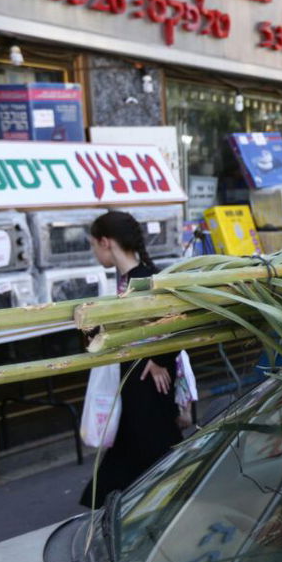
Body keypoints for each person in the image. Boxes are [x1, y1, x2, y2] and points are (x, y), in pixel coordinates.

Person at [81, 210, 184, 509]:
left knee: (153, 450)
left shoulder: (144, 280)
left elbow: (178, 321)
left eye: (93, 245)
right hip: (137, 381)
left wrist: (160, 359)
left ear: (105, 242)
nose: (94, 252)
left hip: (146, 384)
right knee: (145, 450)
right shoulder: (134, 279)